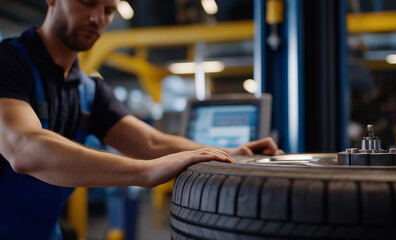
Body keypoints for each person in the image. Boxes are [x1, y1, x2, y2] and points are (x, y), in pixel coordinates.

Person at [0, 0, 283, 239]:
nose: (97, 18)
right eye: (87, 2)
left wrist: (230, 154)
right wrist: (145, 172)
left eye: (109, 10)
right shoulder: (8, 63)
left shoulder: (89, 90)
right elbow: (24, 147)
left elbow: (150, 141)